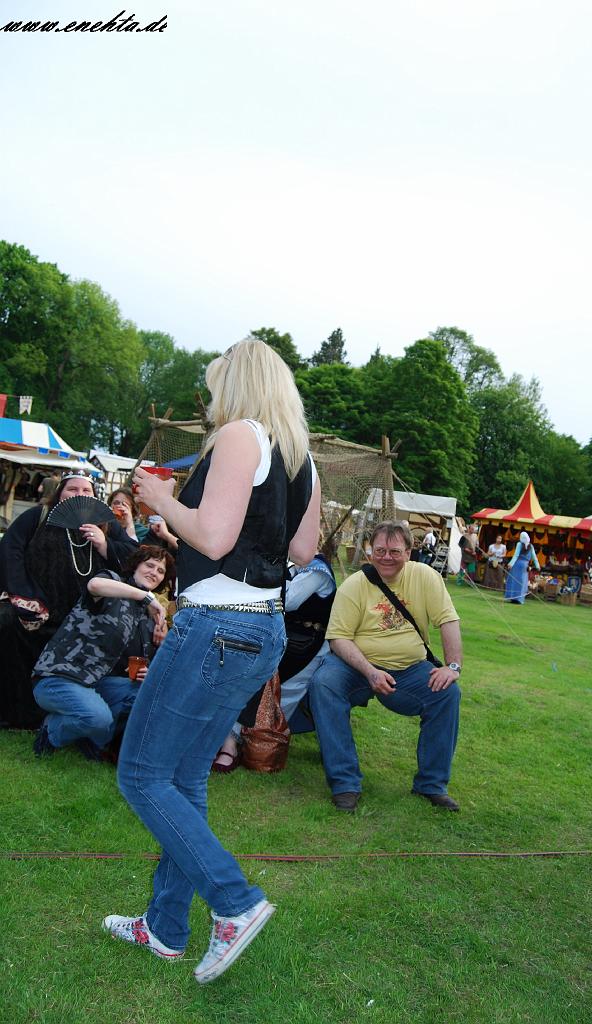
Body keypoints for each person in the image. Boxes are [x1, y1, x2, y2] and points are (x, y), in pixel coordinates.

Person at [103, 336, 320, 984]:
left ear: (237, 384)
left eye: (217, 383)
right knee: (185, 778)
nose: (212, 396)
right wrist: (190, 519)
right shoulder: (301, 457)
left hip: (216, 626)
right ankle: (165, 927)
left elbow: (217, 538)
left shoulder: (238, 435)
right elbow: (303, 551)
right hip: (262, 629)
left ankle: (234, 901)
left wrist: (160, 499)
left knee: (141, 775)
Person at [309, 520, 462, 813]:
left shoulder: (426, 577)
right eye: (379, 550)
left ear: (409, 552)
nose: (386, 557)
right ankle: (345, 783)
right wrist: (370, 671)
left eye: (394, 551)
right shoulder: (354, 585)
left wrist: (452, 667)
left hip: (408, 669)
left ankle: (431, 785)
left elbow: (448, 620)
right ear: (370, 550)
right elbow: (338, 639)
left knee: (446, 694)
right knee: (324, 684)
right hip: (356, 666)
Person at [0, 470, 138, 729]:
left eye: (86, 490)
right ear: (60, 492)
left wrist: (105, 544)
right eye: (72, 489)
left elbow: (135, 558)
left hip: (84, 615)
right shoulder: (39, 515)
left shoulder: (106, 524)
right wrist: (25, 594)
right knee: (7, 625)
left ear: (95, 496)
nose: (79, 494)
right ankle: (15, 713)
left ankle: (72, 710)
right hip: (39, 606)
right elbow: (11, 550)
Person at [32, 546, 173, 760]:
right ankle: (51, 731)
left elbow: (144, 659)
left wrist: (158, 648)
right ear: (136, 565)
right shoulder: (113, 581)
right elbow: (94, 585)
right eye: (149, 565)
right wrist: (147, 597)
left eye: (160, 571)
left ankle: (93, 740)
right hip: (58, 677)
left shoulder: (144, 614)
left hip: (95, 683)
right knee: (98, 718)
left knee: (148, 693)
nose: (154, 572)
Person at [213, 551, 336, 771]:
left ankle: (256, 742)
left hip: (306, 647)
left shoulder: (318, 570)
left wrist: (255, 583)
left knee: (280, 697)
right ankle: (230, 741)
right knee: (245, 680)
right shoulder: (289, 567)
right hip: (281, 637)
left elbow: (288, 599)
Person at [504, 531, 540, 604]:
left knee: (513, 581)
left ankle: (512, 597)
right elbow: (534, 558)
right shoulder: (531, 546)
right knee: (522, 582)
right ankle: (519, 599)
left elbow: (516, 555)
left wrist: (510, 564)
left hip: (517, 564)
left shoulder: (519, 544)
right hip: (525, 565)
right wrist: (537, 566)